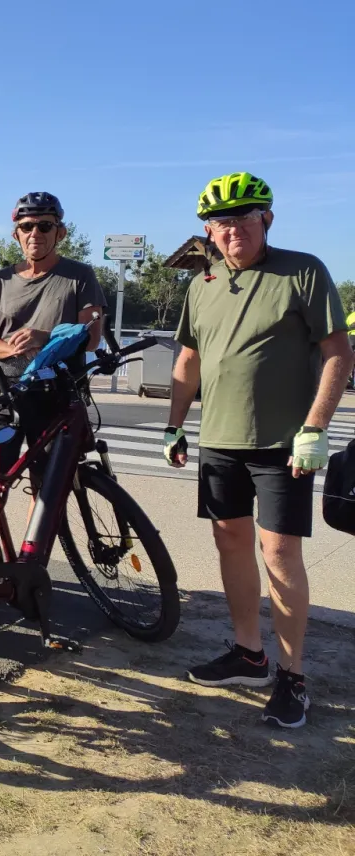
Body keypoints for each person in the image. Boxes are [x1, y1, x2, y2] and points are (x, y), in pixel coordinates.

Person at [163, 172, 351, 729]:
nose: (233, 228)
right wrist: (174, 426)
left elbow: (339, 354)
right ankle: (250, 654)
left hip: (282, 445)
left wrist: (315, 428)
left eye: (245, 217)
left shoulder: (303, 270)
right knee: (229, 544)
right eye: (223, 221)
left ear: (267, 218)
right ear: (208, 231)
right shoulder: (203, 283)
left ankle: (292, 676)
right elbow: (188, 361)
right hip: (219, 440)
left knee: (280, 556)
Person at [0, 192, 105, 389]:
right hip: (4, 386)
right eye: (26, 226)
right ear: (16, 235)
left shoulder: (81, 276)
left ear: (60, 233)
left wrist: (45, 338)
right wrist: (18, 350)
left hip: (60, 388)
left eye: (45, 226)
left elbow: (92, 339)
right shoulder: (0, 280)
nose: (35, 234)